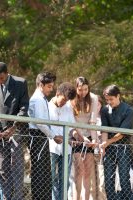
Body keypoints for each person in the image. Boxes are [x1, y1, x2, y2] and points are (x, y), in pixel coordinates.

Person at [0, 62, 29, 200]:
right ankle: (6, 197)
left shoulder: (21, 83)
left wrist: (14, 127)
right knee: (2, 166)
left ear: (7, 73)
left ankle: (17, 197)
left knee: (16, 165)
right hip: (0, 132)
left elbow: (23, 108)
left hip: (16, 129)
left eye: (1, 78)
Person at [28, 72, 63, 200]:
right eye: (49, 86)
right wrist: (54, 136)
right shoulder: (37, 100)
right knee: (39, 172)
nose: (51, 89)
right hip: (37, 137)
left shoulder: (42, 99)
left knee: (44, 172)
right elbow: (40, 122)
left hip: (41, 137)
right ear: (41, 85)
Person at [48, 82, 82, 200]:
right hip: (51, 148)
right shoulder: (47, 106)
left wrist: (75, 134)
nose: (64, 102)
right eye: (63, 99)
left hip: (66, 149)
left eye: (67, 100)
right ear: (57, 94)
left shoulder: (68, 107)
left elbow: (71, 127)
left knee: (65, 179)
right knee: (51, 178)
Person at [100, 84, 133, 200]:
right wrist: (103, 146)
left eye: (111, 99)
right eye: (107, 100)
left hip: (123, 148)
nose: (109, 102)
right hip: (109, 149)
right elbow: (104, 129)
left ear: (118, 96)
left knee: (124, 180)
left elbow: (123, 132)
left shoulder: (129, 110)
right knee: (108, 181)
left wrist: (108, 141)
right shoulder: (104, 110)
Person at [70, 77, 98, 200]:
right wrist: (80, 137)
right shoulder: (71, 99)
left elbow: (93, 121)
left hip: (89, 136)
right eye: (80, 90)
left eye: (86, 89)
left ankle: (86, 198)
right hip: (76, 136)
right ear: (76, 88)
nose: (83, 92)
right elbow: (71, 122)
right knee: (79, 170)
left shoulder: (93, 98)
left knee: (88, 171)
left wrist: (94, 141)